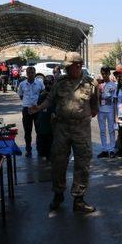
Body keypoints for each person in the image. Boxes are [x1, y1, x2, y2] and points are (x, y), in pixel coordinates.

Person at [29, 52, 98, 213]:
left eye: (69, 67)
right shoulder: (60, 82)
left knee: (82, 163)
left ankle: (79, 200)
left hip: (81, 129)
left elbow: (95, 106)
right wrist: (39, 108)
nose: (66, 70)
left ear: (79, 65)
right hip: (61, 128)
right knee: (58, 161)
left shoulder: (91, 84)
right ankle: (58, 194)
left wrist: (82, 115)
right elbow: (50, 99)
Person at [17, 66, 45, 157]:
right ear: (26, 74)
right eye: (29, 73)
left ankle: (40, 149)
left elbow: (42, 94)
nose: (30, 74)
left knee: (39, 130)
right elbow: (21, 96)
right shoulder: (22, 84)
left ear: (35, 73)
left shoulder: (40, 83)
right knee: (27, 132)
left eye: (32, 73)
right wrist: (27, 103)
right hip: (26, 110)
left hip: (37, 109)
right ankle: (28, 150)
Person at [96, 66, 117, 158]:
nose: (104, 75)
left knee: (111, 130)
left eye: (105, 73)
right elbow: (95, 97)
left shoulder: (113, 85)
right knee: (102, 130)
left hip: (110, 109)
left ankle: (112, 149)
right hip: (100, 109)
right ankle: (104, 149)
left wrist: (116, 113)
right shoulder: (99, 84)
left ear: (109, 73)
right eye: (102, 74)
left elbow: (115, 99)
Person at [35, 76, 55, 159]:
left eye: (50, 83)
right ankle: (42, 152)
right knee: (42, 136)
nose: (48, 85)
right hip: (43, 119)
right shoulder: (42, 94)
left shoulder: (56, 93)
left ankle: (50, 153)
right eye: (46, 83)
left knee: (52, 137)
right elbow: (38, 106)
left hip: (53, 119)